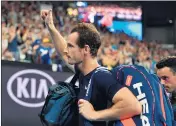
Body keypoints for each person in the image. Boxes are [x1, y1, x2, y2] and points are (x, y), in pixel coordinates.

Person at [41, 9, 141, 126]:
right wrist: (50, 26)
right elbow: (64, 53)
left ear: (86, 49)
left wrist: (94, 114)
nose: (66, 49)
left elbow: (133, 106)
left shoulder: (101, 76)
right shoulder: (83, 70)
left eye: (70, 46)